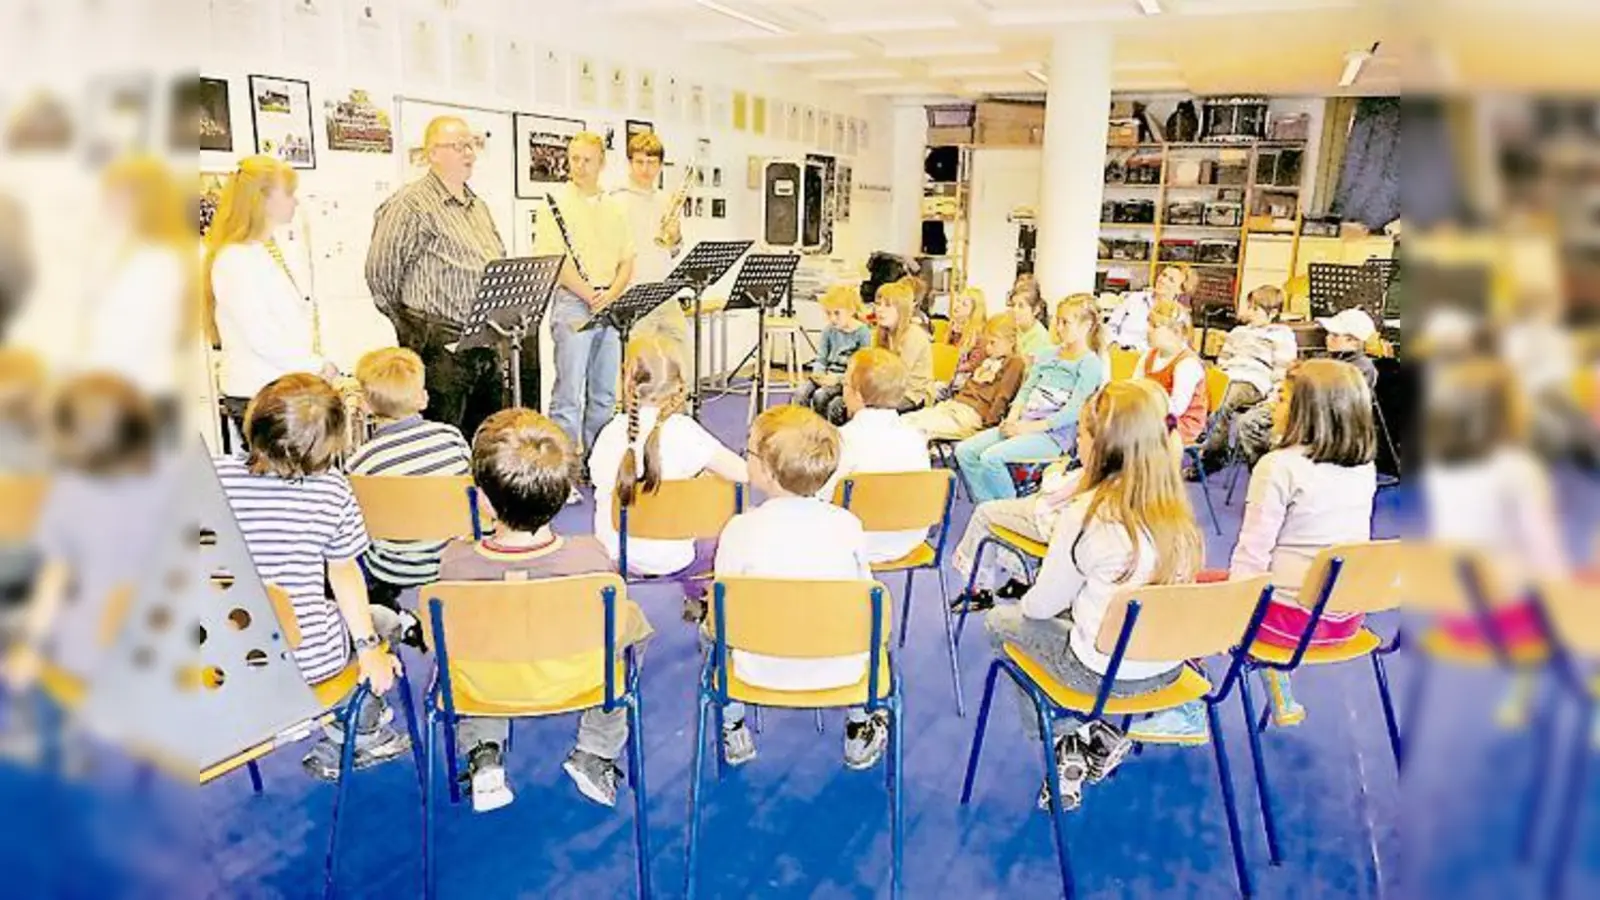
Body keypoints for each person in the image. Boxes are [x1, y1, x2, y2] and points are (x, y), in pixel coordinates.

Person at [983, 380, 1204, 809]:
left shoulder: (1087, 513)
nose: (1077, 442)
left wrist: (1034, 601)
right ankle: (1095, 735)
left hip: (1102, 674)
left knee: (1000, 621)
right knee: (1077, 614)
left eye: (1082, 434)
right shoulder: (1177, 510)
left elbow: (1040, 605)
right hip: (1170, 668)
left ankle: (1067, 740)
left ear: (1101, 445)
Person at [437, 408, 654, 811]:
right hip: (576, 679)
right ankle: (595, 749)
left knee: (467, 645)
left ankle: (484, 749)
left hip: (488, 688)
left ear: (482, 498)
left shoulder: (455, 563)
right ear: (565, 491)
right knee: (632, 626)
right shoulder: (591, 560)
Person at [1161, 360, 1377, 736]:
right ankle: (1281, 694)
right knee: (1279, 581)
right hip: (1344, 619)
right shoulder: (1364, 467)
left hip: (1288, 624)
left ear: (1307, 413)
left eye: (1281, 397)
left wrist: (1229, 609)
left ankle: (1188, 708)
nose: (1272, 404)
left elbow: (1252, 555)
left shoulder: (1278, 467)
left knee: (1179, 593)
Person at [213, 374, 407, 781]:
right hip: (305, 664)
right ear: (330, 445)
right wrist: (370, 648)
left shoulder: (210, 477)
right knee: (386, 619)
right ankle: (355, 734)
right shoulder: (333, 491)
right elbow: (344, 572)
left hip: (223, 657)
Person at [712, 405, 886, 770]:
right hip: (842, 669)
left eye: (750, 450)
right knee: (863, 622)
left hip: (755, 668)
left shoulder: (740, 529)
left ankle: (734, 725)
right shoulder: (848, 525)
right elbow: (864, 599)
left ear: (768, 472)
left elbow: (722, 608)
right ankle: (858, 726)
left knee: (711, 629)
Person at [1422, 358, 1568, 727]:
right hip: (1506, 621)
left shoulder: (1441, 467)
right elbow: (1546, 558)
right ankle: (1522, 698)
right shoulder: (1520, 469)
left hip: (1453, 612)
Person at [365, 116, 511, 440]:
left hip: (481, 343)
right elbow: (380, 273)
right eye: (458, 146)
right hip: (437, 348)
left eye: (471, 145)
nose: (468, 153)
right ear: (432, 153)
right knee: (442, 444)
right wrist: (414, 328)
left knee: (483, 443)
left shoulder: (478, 207)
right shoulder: (411, 204)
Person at [589, 336, 746, 584]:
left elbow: (600, 483)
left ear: (627, 380)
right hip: (674, 558)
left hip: (614, 554)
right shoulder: (686, 431)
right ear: (678, 384)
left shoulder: (609, 433)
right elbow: (744, 474)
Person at [206, 156, 338, 435]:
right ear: (262, 199)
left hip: (278, 386)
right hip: (259, 392)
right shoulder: (235, 259)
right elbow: (261, 334)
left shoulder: (262, 250)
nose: (295, 202)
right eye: (288, 194)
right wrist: (316, 366)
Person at [536, 132, 637, 483]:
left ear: (601, 163)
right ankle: (561, 472)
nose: (578, 166)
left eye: (586, 159)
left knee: (605, 396)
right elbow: (555, 261)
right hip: (573, 303)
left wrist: (610, 293)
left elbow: (627, 259)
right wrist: (589, 293)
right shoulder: (554, 201)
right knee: (568, 396)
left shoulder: (614, 207)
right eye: (573, 158)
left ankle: (597, 465)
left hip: (609, 304)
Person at [344, 347, 471, 616]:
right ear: (423, 399)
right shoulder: (451, 438)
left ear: (365, 405)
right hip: (453, 560)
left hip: (391, 569)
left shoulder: (360, 463)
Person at [955, 294, 1107, 504]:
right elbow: (1026, 391)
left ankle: (1011, 510)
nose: (1059, 327)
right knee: (965, 451)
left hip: (1053, 436)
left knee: (991, 458)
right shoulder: (1048, 354)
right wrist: (1012, 418)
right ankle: (988, 507)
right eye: (1058, 321)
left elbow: (1073, 411)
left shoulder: (1089, 364)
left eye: (1066, 323)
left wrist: (1028, 428)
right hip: (1022, 424)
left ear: (1087, 326)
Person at [77, 156, 194, 426]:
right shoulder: (123, 250)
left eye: (117, 195)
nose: (106, 202)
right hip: (121, 392)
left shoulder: (160, 260)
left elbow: (127, 336)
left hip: (135, 395)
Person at [823, 349, 931, 564]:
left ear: (858, 396)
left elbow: (824, 497)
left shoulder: (843, 440)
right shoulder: (916, 437)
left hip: (853, 542)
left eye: (845, 385)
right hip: (909, 538)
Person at [1237, 307, 1378, 468]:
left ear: (1353, 341)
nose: (1327, 338)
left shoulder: (1361, 369)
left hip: (1315, 417)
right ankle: (1264, 466)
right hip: (1297, 407)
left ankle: (1273, 467)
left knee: (1269, 434)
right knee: (1248, 423)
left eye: (1334, 335)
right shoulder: (1324, 358)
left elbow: (1337, 406)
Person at [611, 130, 690, 374]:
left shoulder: (665, 199)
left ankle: (679, 410)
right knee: (637, 367)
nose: (645, 169)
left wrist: (676, 236)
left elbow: (674, 250)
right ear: (630, 163)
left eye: (652, 162)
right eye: (639, 162)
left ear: (660, 166)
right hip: (634, 294)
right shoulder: (616, 200)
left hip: (665, 292)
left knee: (682, 359)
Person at [1200, 285, 1298, 467]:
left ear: (1273, 312)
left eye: (1256, 309)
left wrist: (1274, 395)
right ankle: (1205, 441)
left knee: (1223, 400)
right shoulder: (1239, 332)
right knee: (1201, 389)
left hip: (1253, 380)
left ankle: (1214, 455)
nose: (1250, 313)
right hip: (1229, 374)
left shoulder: (1281, 335)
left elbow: (1282, 370)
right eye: (1250, 307)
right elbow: (1224, 359)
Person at [903, 316, 1026, 442]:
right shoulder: (990, 359)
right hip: (955, 406)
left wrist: (988, 427)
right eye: (987, 343)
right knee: (904, 420)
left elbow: (1003, 396)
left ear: (1011, 341)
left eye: (993, 342)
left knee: (913, 428)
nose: (988, 348)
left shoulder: (1015, 363)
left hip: (971, 414)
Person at [1135, 300, 1207, 449]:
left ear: (1176, 332)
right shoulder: (1149, 355)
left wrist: (1144, 412)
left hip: (1179, 423)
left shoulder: (1187, 364)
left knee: (1134, 432)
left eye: (1154, 326)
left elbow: (1176, 409)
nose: (1148, 330)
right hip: (1153, 415)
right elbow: (1135, 386)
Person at [796, 283, 872, 416]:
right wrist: (819, 374)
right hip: (826, 376)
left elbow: (861, 368)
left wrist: (837, 379)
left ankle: (823, 429)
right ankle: (804, 426)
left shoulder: (863, 333)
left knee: (820, 396)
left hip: (845, 380)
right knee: (800, 393)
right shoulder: (829, 331)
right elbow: (821, 358)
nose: (832, 318)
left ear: (851, 310)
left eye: (837, 313)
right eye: (828, 313)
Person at [1105, 263, 1195, 350]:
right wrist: (1113, 343)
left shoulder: (1180, 315)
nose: (1162, 280)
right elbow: (1111, 326)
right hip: (1120, 353)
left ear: (1181, 290)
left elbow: (1179, 347)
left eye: (1171, 280)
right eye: (1163, 275)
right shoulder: (1134, 298)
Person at [945, 287, 989, 394]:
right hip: (950, 377)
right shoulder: (953, 327)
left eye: (964, 304)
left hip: (964, 383)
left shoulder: (979, 334)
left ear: (974, 311)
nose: (957, 305)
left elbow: (973, 364)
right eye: (958, 300)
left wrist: (950, 368)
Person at [1008, 276, 1053, 359]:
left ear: (1036, 310)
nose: (1015, 310)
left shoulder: (1041, 340)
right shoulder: (1013, 328)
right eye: (1013, 305)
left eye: (1021, 306)